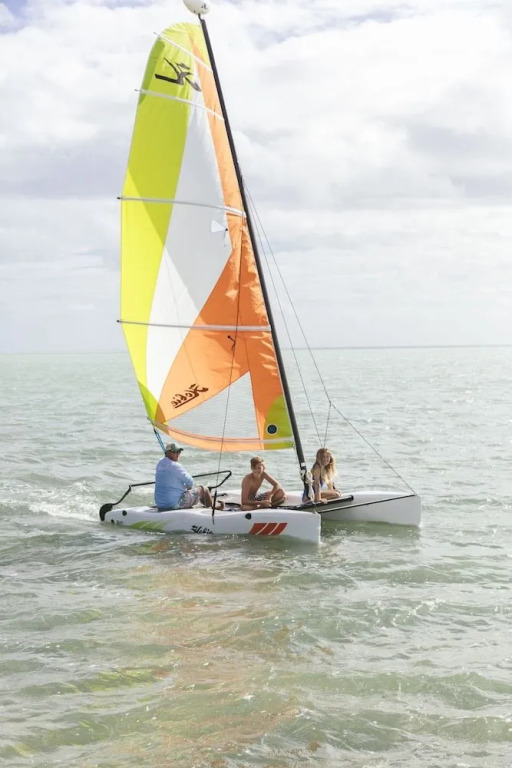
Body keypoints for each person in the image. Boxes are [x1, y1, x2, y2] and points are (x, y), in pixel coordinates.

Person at [154, 442, 222, 511]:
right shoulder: (175, 466)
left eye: (179, 452)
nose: (178, 454)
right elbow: (191, 483)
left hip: (160, 504)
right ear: (167, 453)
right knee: (204, 490)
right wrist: (188, 487)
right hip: (173, 504)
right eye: (175, 452)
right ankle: (212, 510)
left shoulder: (160, 463)